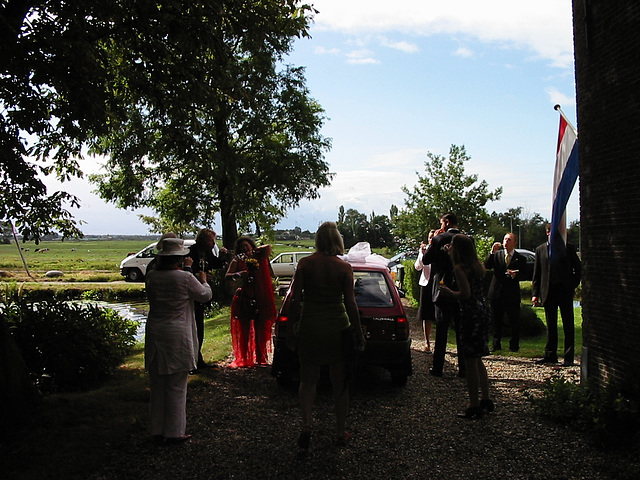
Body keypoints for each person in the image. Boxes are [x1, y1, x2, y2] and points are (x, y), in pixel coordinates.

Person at [286, 221, 365, 449]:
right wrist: (358, 332)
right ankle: (340, 432)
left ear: (319, 240)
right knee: (340, 383)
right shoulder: (343, 268)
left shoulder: (305, 264)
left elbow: (295, 301)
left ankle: (307, 425)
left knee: (308, 380)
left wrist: (291, 329)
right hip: (337, 329)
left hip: (310, 327)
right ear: (337, 240)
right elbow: (350, 303)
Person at [144, 237, 212, 444]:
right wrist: (203, 279)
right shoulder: (184, 278)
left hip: (156, 332)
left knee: (157, 385)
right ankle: (174, 432)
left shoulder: (152, 276)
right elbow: (204, 295)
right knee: (176, 385)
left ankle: (156, 429)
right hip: (176, 334)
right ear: (179, 258)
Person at [438, 234, 494, 419]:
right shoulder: (477, 267)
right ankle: (486, 398)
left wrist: (449, 293)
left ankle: (473, 404)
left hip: (470, 314)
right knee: (478, 358)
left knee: (470, 360)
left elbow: (465, 294)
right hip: (483, 310)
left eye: (452, 245)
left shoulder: (459, 268)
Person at [420, 212, 465, 378]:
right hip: (462, 286)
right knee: (461, 328)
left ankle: (438, 367)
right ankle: (464, 368)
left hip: (442, 285)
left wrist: (433, 242)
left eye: (441, 223)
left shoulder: (440, 239)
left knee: (442, 328)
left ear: (446, 223)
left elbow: (426, 260)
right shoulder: (467, 239)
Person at [532, 224, 582, 365]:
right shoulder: (540, 250)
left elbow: (578, 269)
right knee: (551, 324)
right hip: (548, 291)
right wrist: (535, 293)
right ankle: (550, 355)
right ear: (547, 233)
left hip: (564, 291)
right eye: (551, 232)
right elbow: (537, 274)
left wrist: (572, 285)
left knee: (568, 324)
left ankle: (568, 357)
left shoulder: (568, 248)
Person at [225, 236, 277, 367]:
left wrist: (253, 252)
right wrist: (239, 274)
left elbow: (268, 248)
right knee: (244, 330)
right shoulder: (237, 260)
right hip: (244, 297)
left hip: (260, 297)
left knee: (261, 329)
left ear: (251, 246)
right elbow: (227, 276)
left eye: (246, 245)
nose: (244, 248)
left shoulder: (259, 257)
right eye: (241, 247)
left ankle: (261, 357)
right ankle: (244, 358)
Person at [187, 228, 227, 370]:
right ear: (203, 240)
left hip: (202, 290)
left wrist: (221, 257)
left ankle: (198, 359)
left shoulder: (207, 252)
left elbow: (214, 264)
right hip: (192, 293)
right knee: (194, 328)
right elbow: (186, 271)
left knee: (200, 327)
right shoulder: (191, 252)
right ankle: (193, 361)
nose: (213, 243)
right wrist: (198, 276)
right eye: (211, 240)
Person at [484, 232, 527, 352]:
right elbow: (487, 265)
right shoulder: (497, 255)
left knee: (514, 320)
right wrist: (492, 252)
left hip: (511, 294)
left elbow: (524, 274)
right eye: (505, 239)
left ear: (514, 243)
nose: (506, 242)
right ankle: (496, 344)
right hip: (497, 292)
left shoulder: (520, 258)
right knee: (496, 319)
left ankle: (514, 345)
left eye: (509, 240)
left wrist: (515, 275)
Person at [414, 229, 437, 352]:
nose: (431, 240)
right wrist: (422, 254)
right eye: (429, 237)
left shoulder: (440, 250)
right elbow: (417, 267)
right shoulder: (425, 250)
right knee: (426, 314)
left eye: (433, 237)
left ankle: (438, 341)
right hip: (426, 283)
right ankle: (427, 341)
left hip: (438, 283)